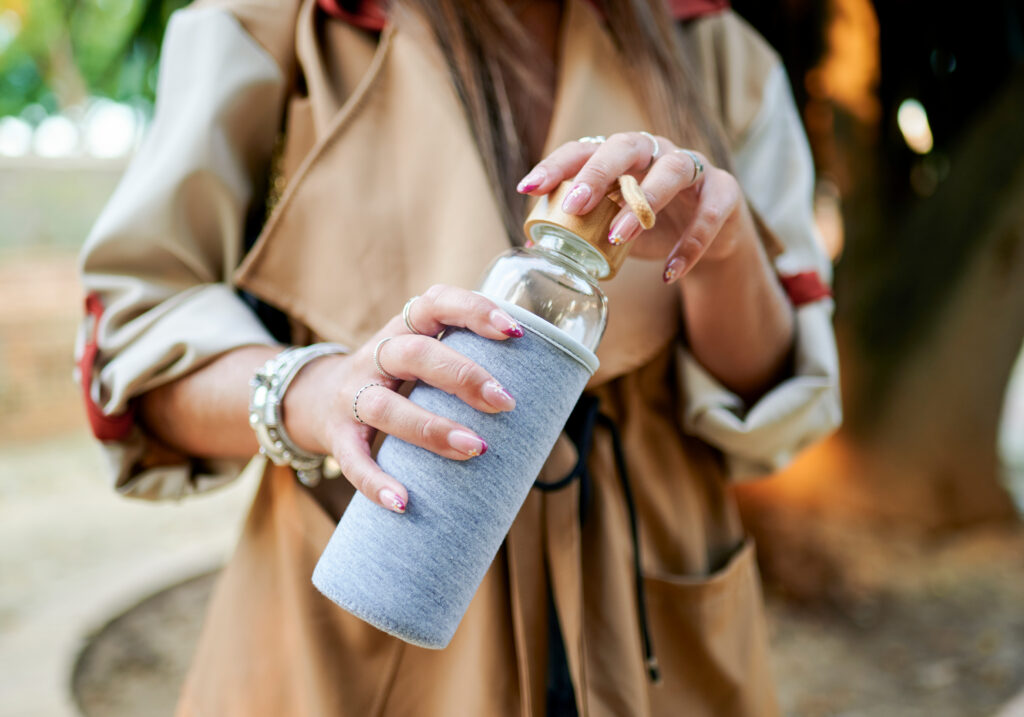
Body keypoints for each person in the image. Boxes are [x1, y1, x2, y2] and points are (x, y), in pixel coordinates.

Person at [75, 0, 841, 714]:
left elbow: (778, 404)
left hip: (654, 614)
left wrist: (725, 253)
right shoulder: (276, 25)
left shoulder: (718, 52)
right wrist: (322, 390)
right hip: (363, 611)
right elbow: (137, 345)